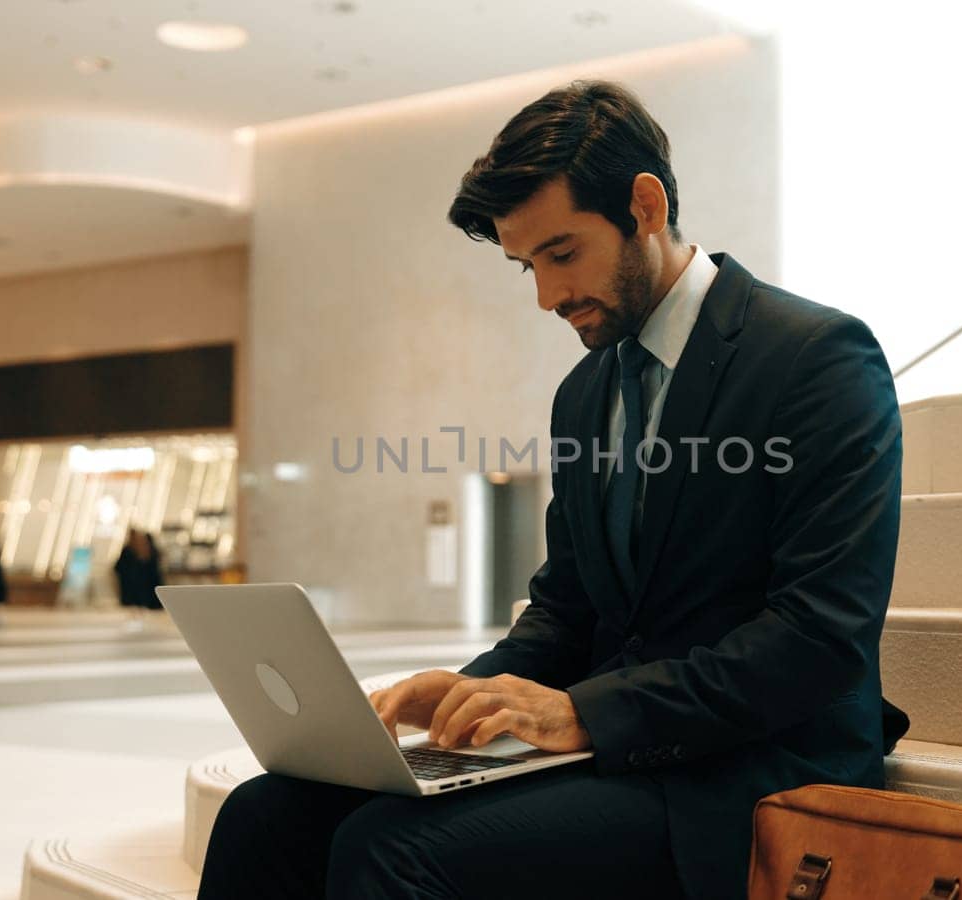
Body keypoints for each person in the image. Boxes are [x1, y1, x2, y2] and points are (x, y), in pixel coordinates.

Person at [199, 81, 907, 900]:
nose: (546, 295)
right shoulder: (585, 391)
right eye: (526, 265)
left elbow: (819, 639)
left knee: (392, 848)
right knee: (265, 814)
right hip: (621, 754)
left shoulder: (817, 359)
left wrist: (582, 715)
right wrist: (470, 689)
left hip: (755, 771)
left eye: (562, 253)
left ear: (645, 205)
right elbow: (569, 608)